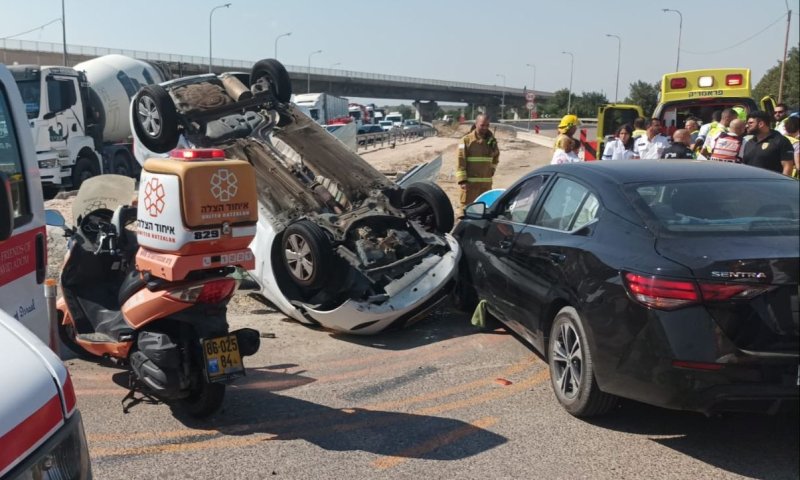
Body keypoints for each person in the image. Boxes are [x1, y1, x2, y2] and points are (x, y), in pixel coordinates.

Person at [456, 114, 500, 210]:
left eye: (487, 125)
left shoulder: (492, 142)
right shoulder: (466, 140)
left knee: (484, 211)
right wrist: (463, 181)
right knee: (466, 211)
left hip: (486, 186)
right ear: (476, 124)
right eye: (482, 125)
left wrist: (492, 169)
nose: (485, 128)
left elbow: (496, 157)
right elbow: (460, 160)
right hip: (470, 186)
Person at [741, 111, 794, 175]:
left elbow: (787, 166)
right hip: (750, 183)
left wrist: (784, 184)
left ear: (761, 124)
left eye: (750, 123)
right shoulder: (749, 142)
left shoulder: (780, 141)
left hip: (771, 183)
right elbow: (744, 165)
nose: (747, 126)